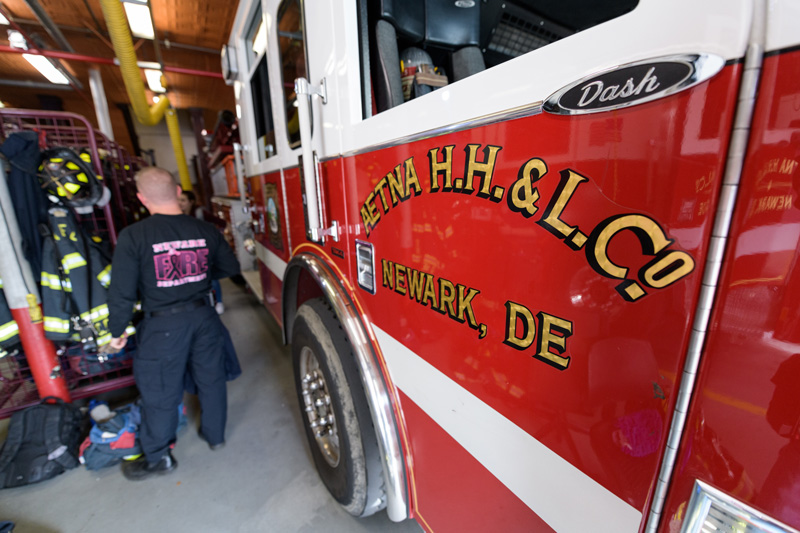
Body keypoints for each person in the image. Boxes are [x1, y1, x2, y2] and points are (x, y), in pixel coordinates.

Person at [107, 167, 240, 481]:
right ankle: (215, 436)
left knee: (160, 391)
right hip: (205, 317)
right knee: (211, 378)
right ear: (178, 191)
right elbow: (230, 267)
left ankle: (158, 458)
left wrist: (116, 331)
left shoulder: (134, 236)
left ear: (141, 199)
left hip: (163, 326)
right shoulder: (205, 229)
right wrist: (196, 277)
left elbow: (122, 292)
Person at [179, 189, 226, 314]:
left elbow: (221, 223)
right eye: (179, 200)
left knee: (211, 278)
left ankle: (218, 302)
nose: (180, 203)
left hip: (204, 251)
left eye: (183, 200)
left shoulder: (200, 213)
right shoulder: (177, 215)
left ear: (191, 202)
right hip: (187, 254)